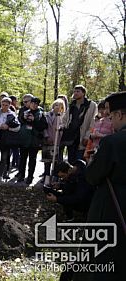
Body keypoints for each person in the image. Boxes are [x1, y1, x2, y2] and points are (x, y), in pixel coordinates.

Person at [77, 91, 126, 280]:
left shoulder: (112, 142)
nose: (111, 122)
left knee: (102, 254)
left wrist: (91, 162)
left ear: (120, 115)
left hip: (112, 207)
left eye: (112, 116)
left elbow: (92, 176)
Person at [59, 85, 97, 164]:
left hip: (82, 136)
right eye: (74, 91)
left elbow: (93, 121)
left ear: (83, 93)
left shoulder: (91, 105)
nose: (75, 93)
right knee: (71, 160)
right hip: (71, 137)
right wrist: (62, 126)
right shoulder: (72, 105)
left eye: (78, 91)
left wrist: (87, 136)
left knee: (80, 161)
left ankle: (79, 176)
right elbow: (65, 119)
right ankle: (71, 176)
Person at [16, 97, 48, 185]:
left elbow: (44, 126)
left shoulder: (41, 114)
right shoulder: (24, 112)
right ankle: (21, 175)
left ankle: (30, 176)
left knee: (32, 160)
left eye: (35, 104)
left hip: (34, 140)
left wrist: (34, 121)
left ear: (38, 105)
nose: (34, 105)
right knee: (22, 159)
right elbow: (19, 122)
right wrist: (24, 117)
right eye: (32, 103)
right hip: (24, 139)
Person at [42, 98, 65, 178]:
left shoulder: (63, 117)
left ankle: (54, 177)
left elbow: (63, 126)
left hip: (57, 141)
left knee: (56, 160)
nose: (57, 107)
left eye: (59, 105)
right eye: (55, 105)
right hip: (47, 140)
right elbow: (44, 127)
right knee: (47, 160)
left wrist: (60, 127)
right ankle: (46, 176)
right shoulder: (46, 115)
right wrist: (47, 136)